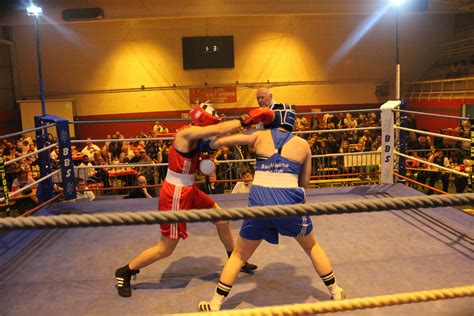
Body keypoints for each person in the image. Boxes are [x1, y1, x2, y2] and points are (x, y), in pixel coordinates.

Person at [114, 102, 275, 297]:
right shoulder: (186, 134)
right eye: (213, 115)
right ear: (203, 118)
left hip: (189, 189)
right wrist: (246, 118)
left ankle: (233, 259)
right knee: (166, 247)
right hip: (175, 193)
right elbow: (219, 129)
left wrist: (258, 131)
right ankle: (126, 271)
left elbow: (221, 140)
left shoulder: (198, 138)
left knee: (221, 218)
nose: (217, 118)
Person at [198, 103, 345, 312]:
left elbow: (220, 141)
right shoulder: (303, 145)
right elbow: (305, 184)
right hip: (288, 201)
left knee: (239, 255)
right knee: (311, 246)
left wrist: (213, 138)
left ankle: (215, 303)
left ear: (270, 118)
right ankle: (336, 291)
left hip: (259, 202)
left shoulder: (259, 137)